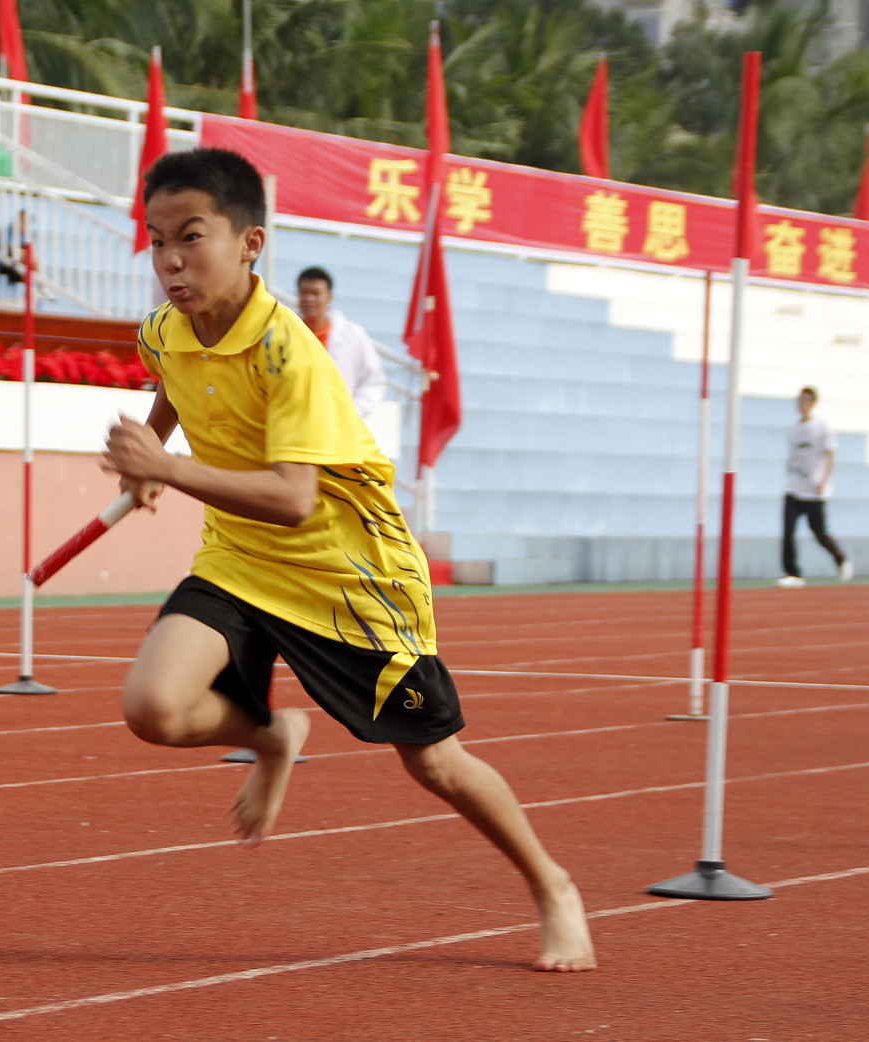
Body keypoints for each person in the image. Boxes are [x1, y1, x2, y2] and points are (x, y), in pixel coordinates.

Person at [101, 147, 595, 973]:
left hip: (347, 575)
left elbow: (295, 498)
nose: (171, 262)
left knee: (432, 761)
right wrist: (152, 445)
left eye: (191, 237)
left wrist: (169, 471)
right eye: (156, 242)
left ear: (252, 242)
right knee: (152, 706)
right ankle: (272, 735)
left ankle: (552, 885)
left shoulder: (290, 355)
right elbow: (174, 385)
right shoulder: (163, 330)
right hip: (240, 558)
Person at [777, 385, 853, 588]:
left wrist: (824, 480)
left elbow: (830, 456)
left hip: (814, 491)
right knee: (788, 531)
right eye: (800, 399)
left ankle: (841, 559)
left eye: (807, 399)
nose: (802, 403)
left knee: (819, 532)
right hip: (793, 487)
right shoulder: (792, 429)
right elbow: (793, 456)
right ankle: (793, 573)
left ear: (813, 402)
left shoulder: (822, 427)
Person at [295, 265, 386, 418]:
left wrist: (353, 412)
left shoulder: (352, 334)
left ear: (329, 297)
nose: (309, 299)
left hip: (339, 423)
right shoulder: (285, 332)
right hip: (297, 420)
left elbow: (373, 381)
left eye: (316, 293)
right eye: (304, 293)